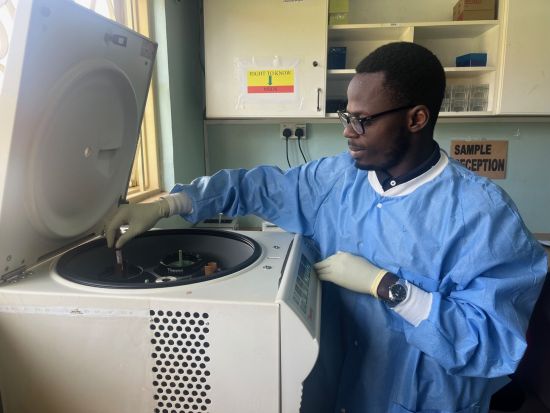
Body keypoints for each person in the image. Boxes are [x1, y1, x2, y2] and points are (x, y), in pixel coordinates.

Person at [104, 42, 548, 412]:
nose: (349, 132)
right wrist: (169, 203)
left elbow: (491, 342)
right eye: (345, 117)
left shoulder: (482, 215)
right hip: (347, 391)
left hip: (426, 401)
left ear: (416, 118)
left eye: (363, 120)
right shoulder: (336, 179)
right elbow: (253, 187)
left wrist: (388, 286)